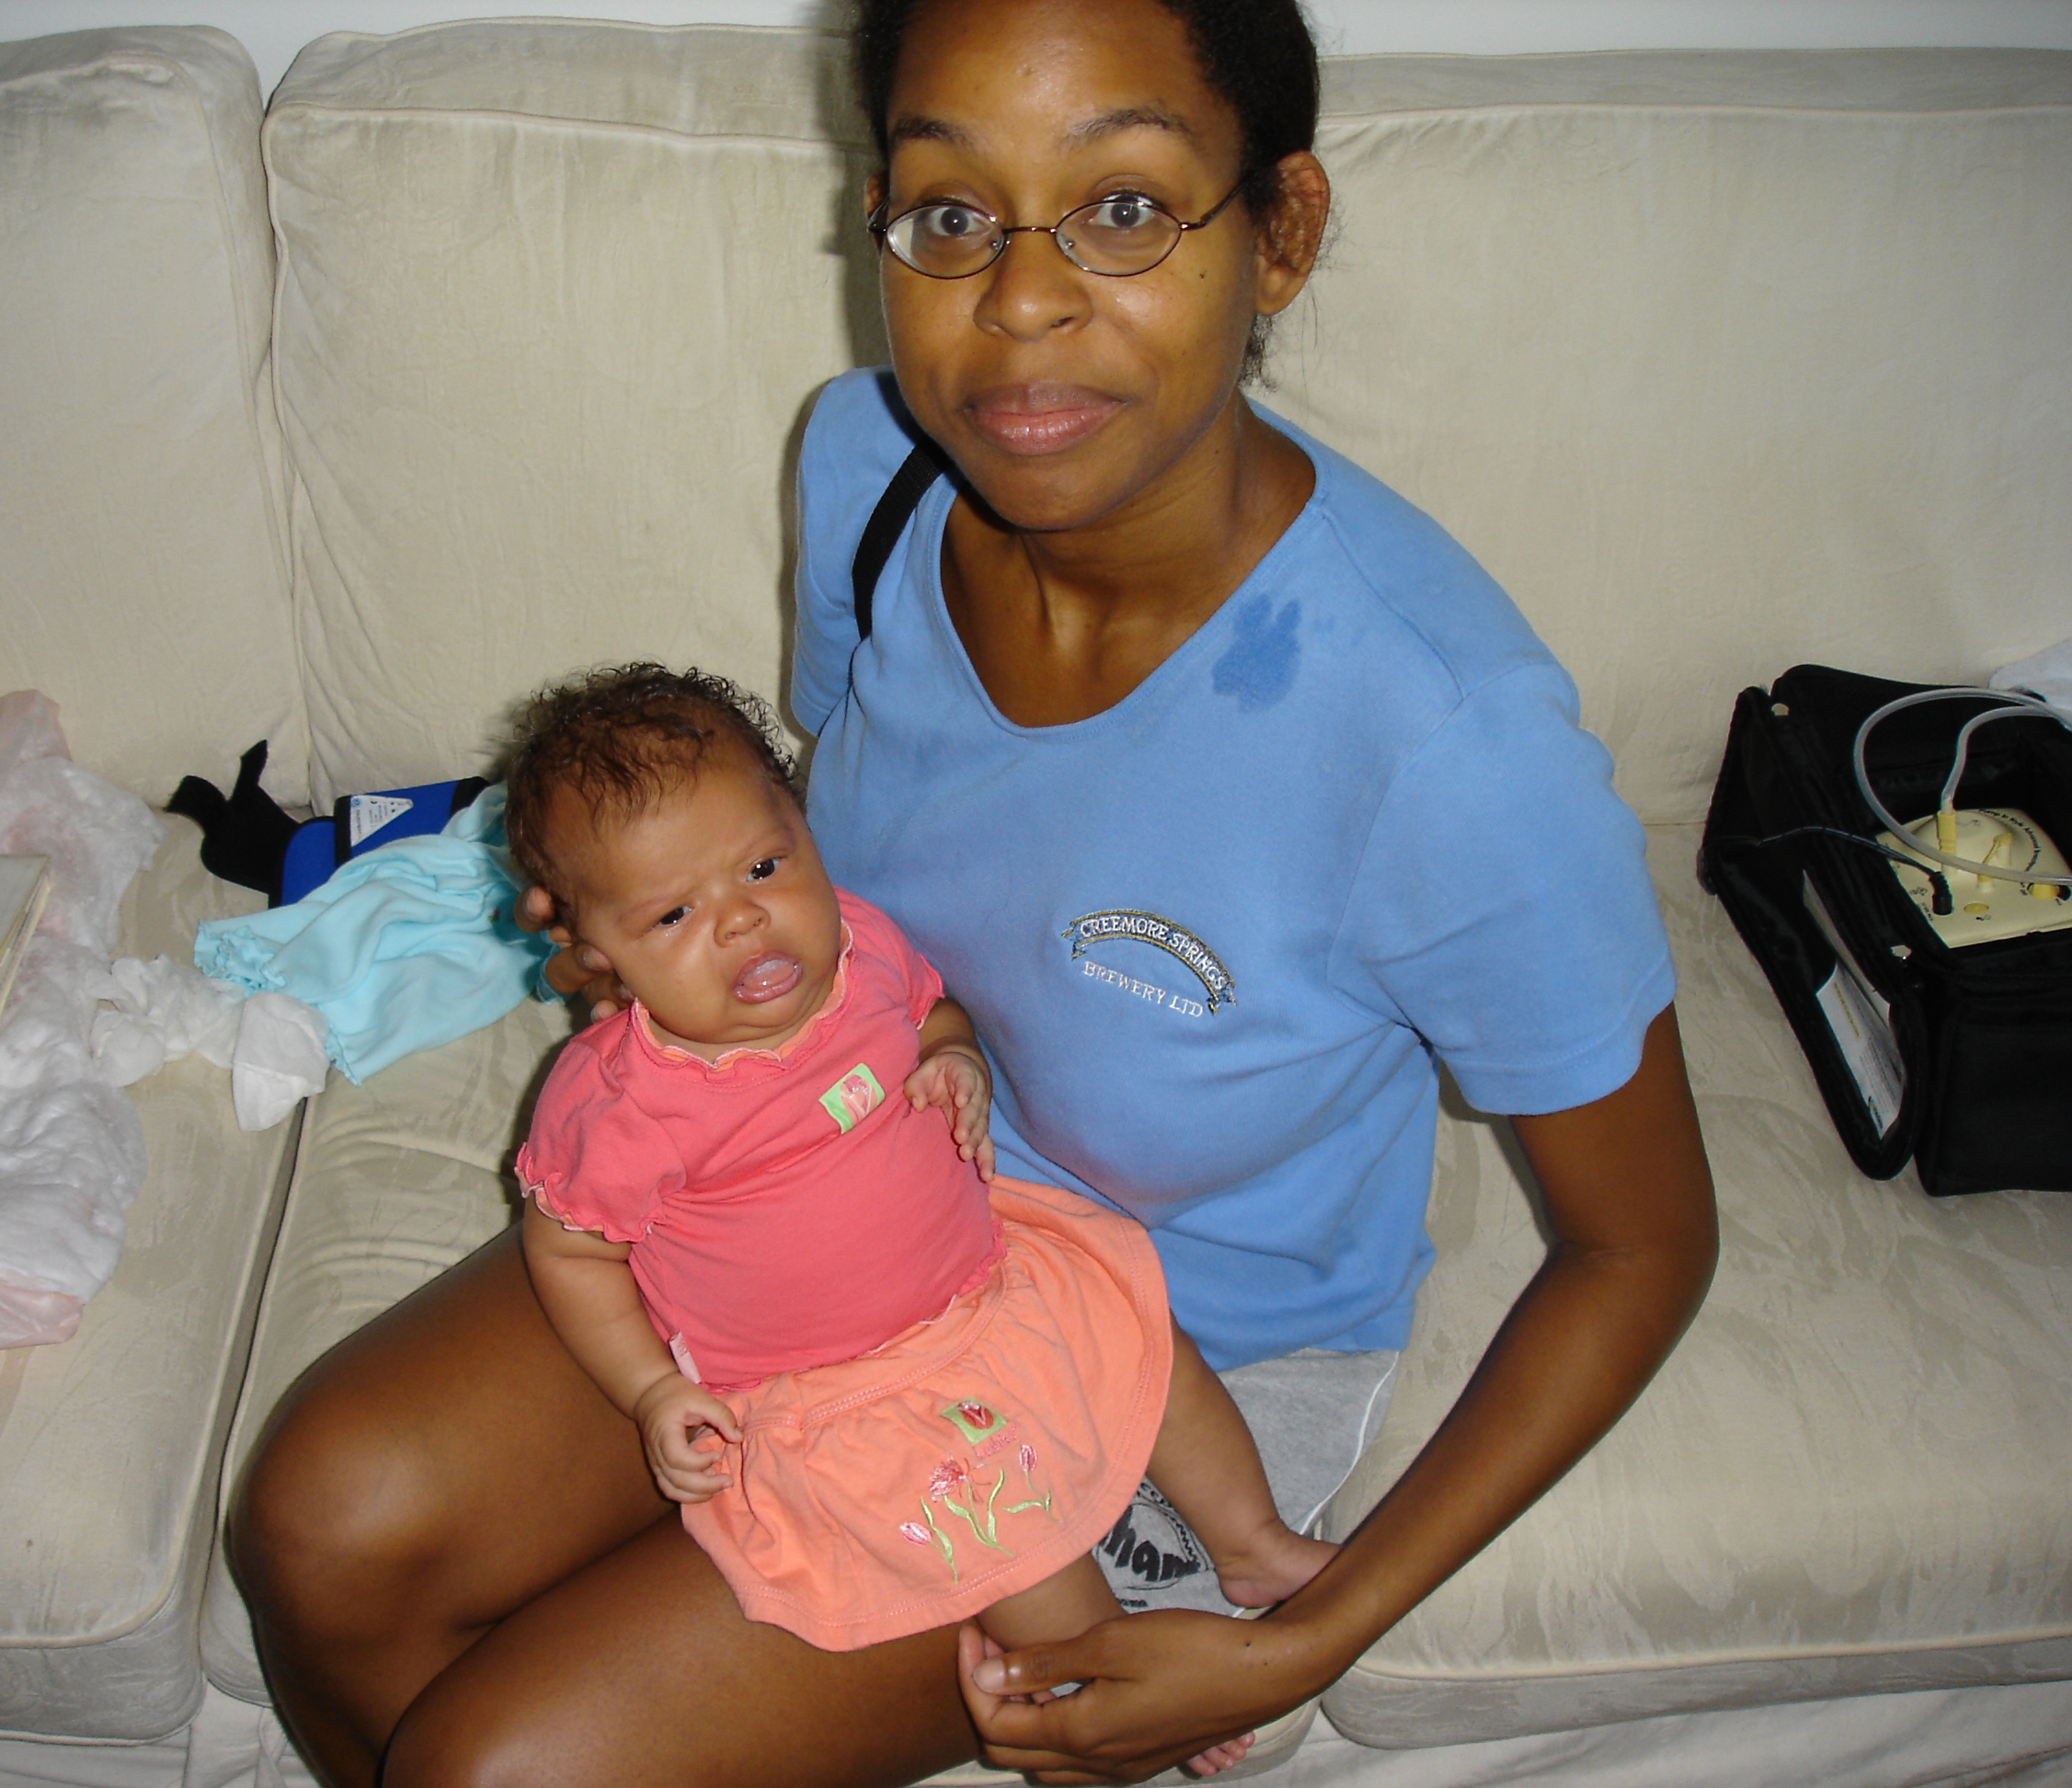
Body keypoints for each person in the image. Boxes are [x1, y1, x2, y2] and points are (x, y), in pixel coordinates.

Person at [226, 0, 1719, 1782]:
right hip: (814, 1176)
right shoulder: (874, 466)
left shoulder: (1445, 742)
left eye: (1122, 208)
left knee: (499, 1765)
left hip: (1152, 1351)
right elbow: (843, 829)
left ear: (1281, 231)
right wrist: (671, 931)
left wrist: (1307, 1632)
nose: (1017, 304)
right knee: (316, 1517)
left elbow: (1643, 1245)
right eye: (950, 214)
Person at [498, 663, 1334, 1773]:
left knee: (1148, 1346)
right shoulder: (618, 1108)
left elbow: (934, 1010)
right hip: (849, 1395)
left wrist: (954, 1059)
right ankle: (1118, 1689)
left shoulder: (861, 946)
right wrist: (651, 1388)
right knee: (1015, 1553)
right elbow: (569, 1251)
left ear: (803, 829)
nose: (743, 919)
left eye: (763, 865)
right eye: (674, 914)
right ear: (596, 955)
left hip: (985, 1283)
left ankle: (1254, 1543)